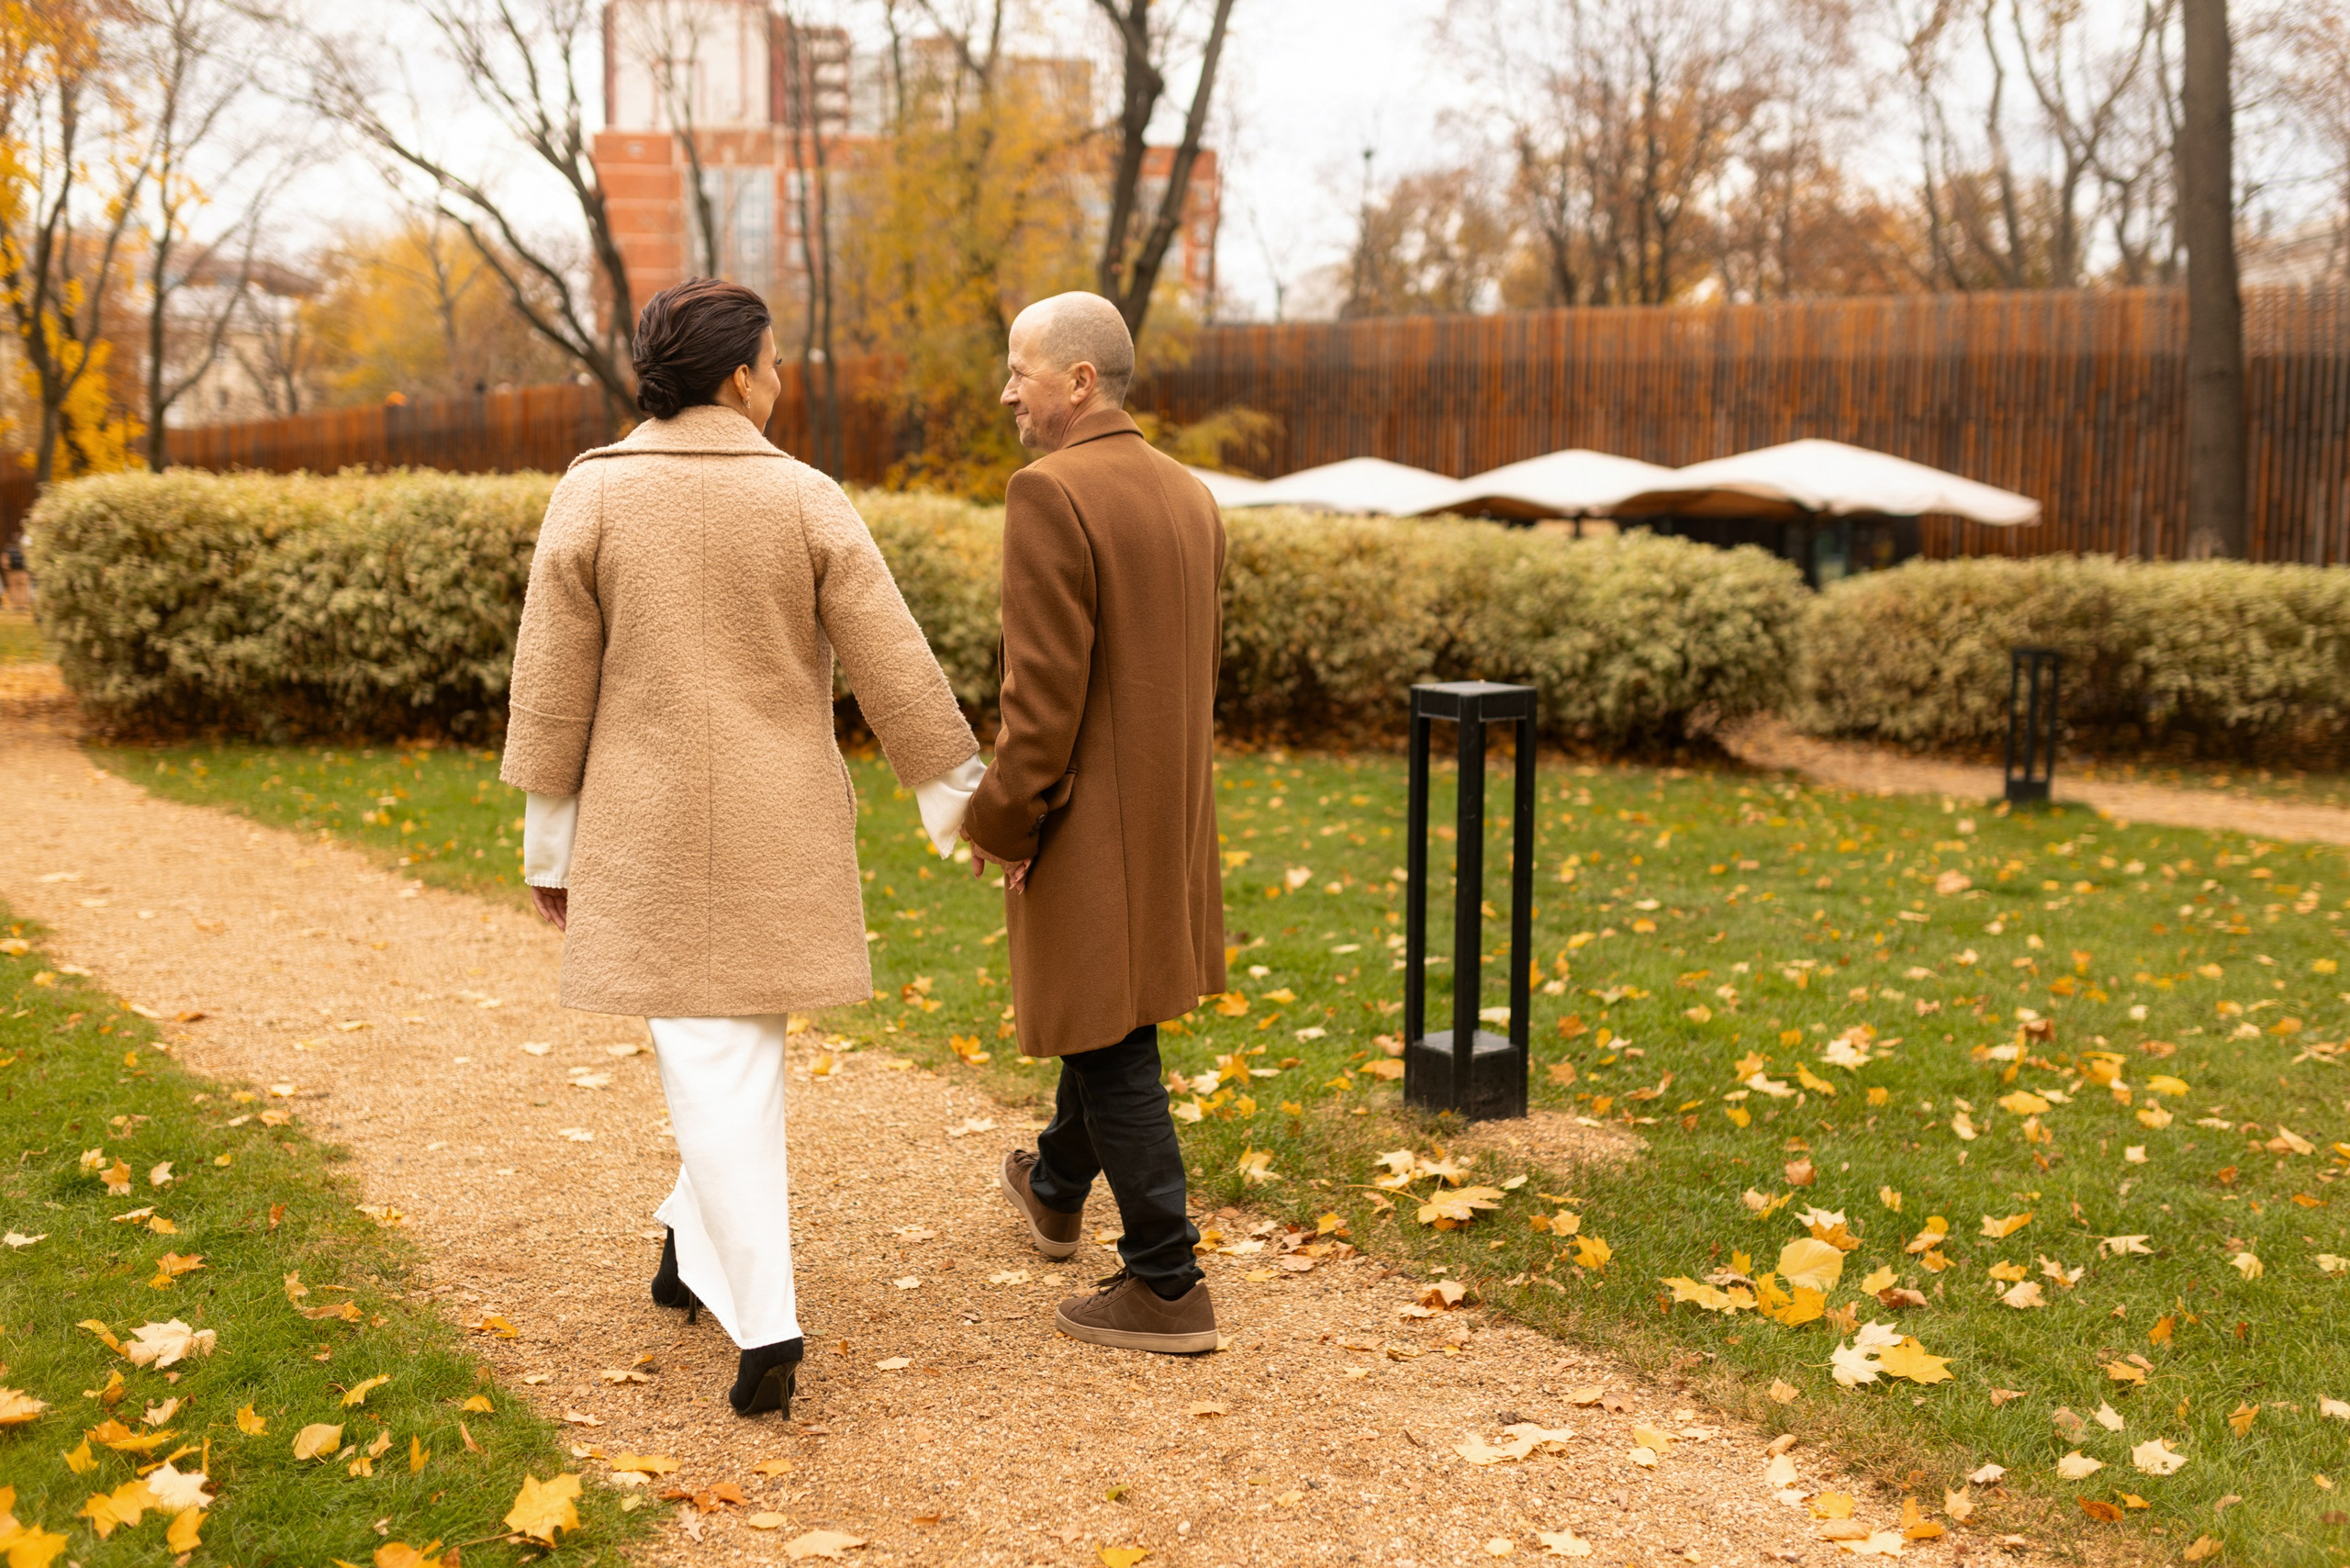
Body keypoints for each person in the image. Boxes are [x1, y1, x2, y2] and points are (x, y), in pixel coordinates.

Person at [500, 277, 982, 1417]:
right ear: (735, 376)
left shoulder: (593, 496)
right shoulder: (807, 496)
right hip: (777, 829)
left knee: (714, 1056)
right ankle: (693, 1252)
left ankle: (765, 1325)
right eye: (772, 361)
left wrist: (548, 845)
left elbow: (550, 690)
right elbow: (895, 661)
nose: (781, 379)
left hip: (648, 831)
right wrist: (957, 799)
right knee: (731, 1053)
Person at [961, 291, 1228, 1353]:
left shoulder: (1049, 494)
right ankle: (1059, 1180)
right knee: (1108, 997)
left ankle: (1166, 1277)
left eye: (1021, 369)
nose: (1006, 390)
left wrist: (1004, 822)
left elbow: (1041, 704)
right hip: (1170, 816)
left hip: (1087, 814)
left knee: (1112, 1035)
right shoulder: (1190, 494)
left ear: (1079, 381)